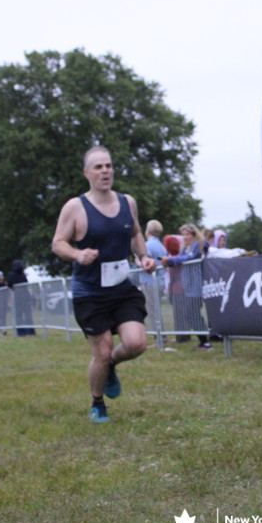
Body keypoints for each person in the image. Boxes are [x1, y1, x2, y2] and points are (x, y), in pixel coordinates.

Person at [51, 145, 157, 423]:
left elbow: (135, 233)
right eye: (98, 167)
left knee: (136, 343)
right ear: (87, 173)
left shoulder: (127, 202)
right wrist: (78, 254)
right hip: (90, 293)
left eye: (108, 165)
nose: (105, 171)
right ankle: (97, 404)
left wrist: (144, 256)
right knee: (102, 349)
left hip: (121, 288)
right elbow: (58, 243)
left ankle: (110, 365)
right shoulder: (75, 207)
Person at [161, 223, 212, 350]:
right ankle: (204, 341)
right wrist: (168, 260)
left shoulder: (198, 245)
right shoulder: (187, 247)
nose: (185, 237)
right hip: (189, 286)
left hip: (197, 285)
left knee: (192, 314)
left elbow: (189, 258)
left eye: (188, 234)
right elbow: (180, 257)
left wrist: (170, 261)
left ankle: (205, 342)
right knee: (191, 314)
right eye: (183, 234)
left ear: (195, 235)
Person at [7, 260, 36, 337]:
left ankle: (21, 332)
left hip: (17, 296)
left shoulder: (11, 275)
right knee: (28, 314)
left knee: (18, 315)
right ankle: (31, 331)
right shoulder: (23, 275)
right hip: (26, 296)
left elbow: (10, 285)